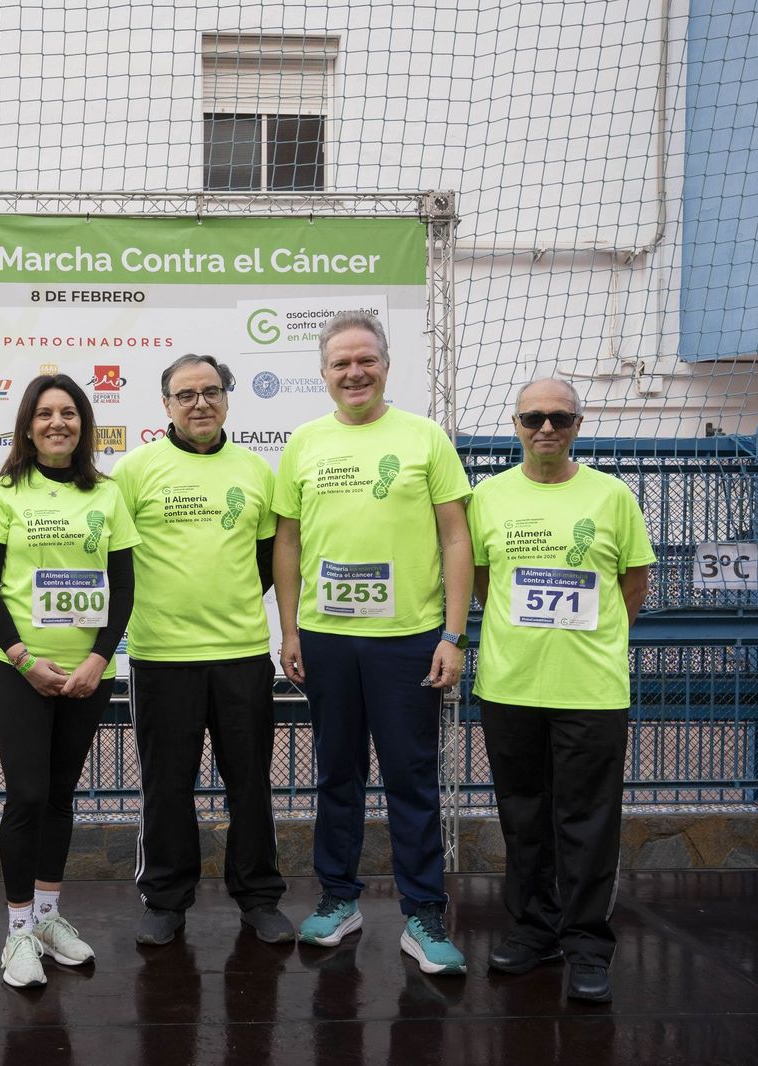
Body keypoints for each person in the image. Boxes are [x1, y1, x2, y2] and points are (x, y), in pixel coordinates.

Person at [273, 310, 473, 975]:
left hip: (408, 640)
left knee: (411, 777)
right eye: (340, 363)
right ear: (324, 373)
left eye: (366, 360)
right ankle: (338, 899)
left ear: (386, 365)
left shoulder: (424, 439)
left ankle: (422, 913)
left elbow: (454, 538)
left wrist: (452, 632)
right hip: (328, 641)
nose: (354, 372)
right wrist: (292, 629)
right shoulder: (303, 442)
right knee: (337, 774)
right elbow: (290, 542)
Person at [470, 378, 652, 1003]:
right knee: (523, 817)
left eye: (559, 418)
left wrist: (592, 641)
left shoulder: (611, 496)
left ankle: (587, 944)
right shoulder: (487, 497)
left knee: (588, 820)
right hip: (510, 684)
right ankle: (533, 932)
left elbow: (633, 582)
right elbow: (483, 582)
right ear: (515, 423)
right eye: (533, 418)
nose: (546, 428)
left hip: (592, 690)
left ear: (579, 423)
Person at [111, 353, 292, 947]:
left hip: (241, 652)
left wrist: (227, 600)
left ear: (227, 398)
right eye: (185, 394)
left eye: (211, 392)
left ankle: (259, 898)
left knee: (250, 783)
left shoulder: (256, 471)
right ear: (165, 404)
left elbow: (268, 560)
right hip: (162, 656)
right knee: (167, 785)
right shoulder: (135, 471)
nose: (200, 404)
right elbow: (116, 561)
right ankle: (165, 899)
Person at [0, 374, 139, 987]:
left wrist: (99, 657)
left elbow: (122, 584)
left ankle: (47, 916)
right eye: (45, 414)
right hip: (21, 669)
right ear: (28, 424)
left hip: (87, 673)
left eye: (69, 413)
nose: (57, 423)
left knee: (62, 796)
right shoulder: (5, 491)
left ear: (83, 423)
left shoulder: (107, 494)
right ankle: (17, 932)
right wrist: (21, 658)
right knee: (29, 797)